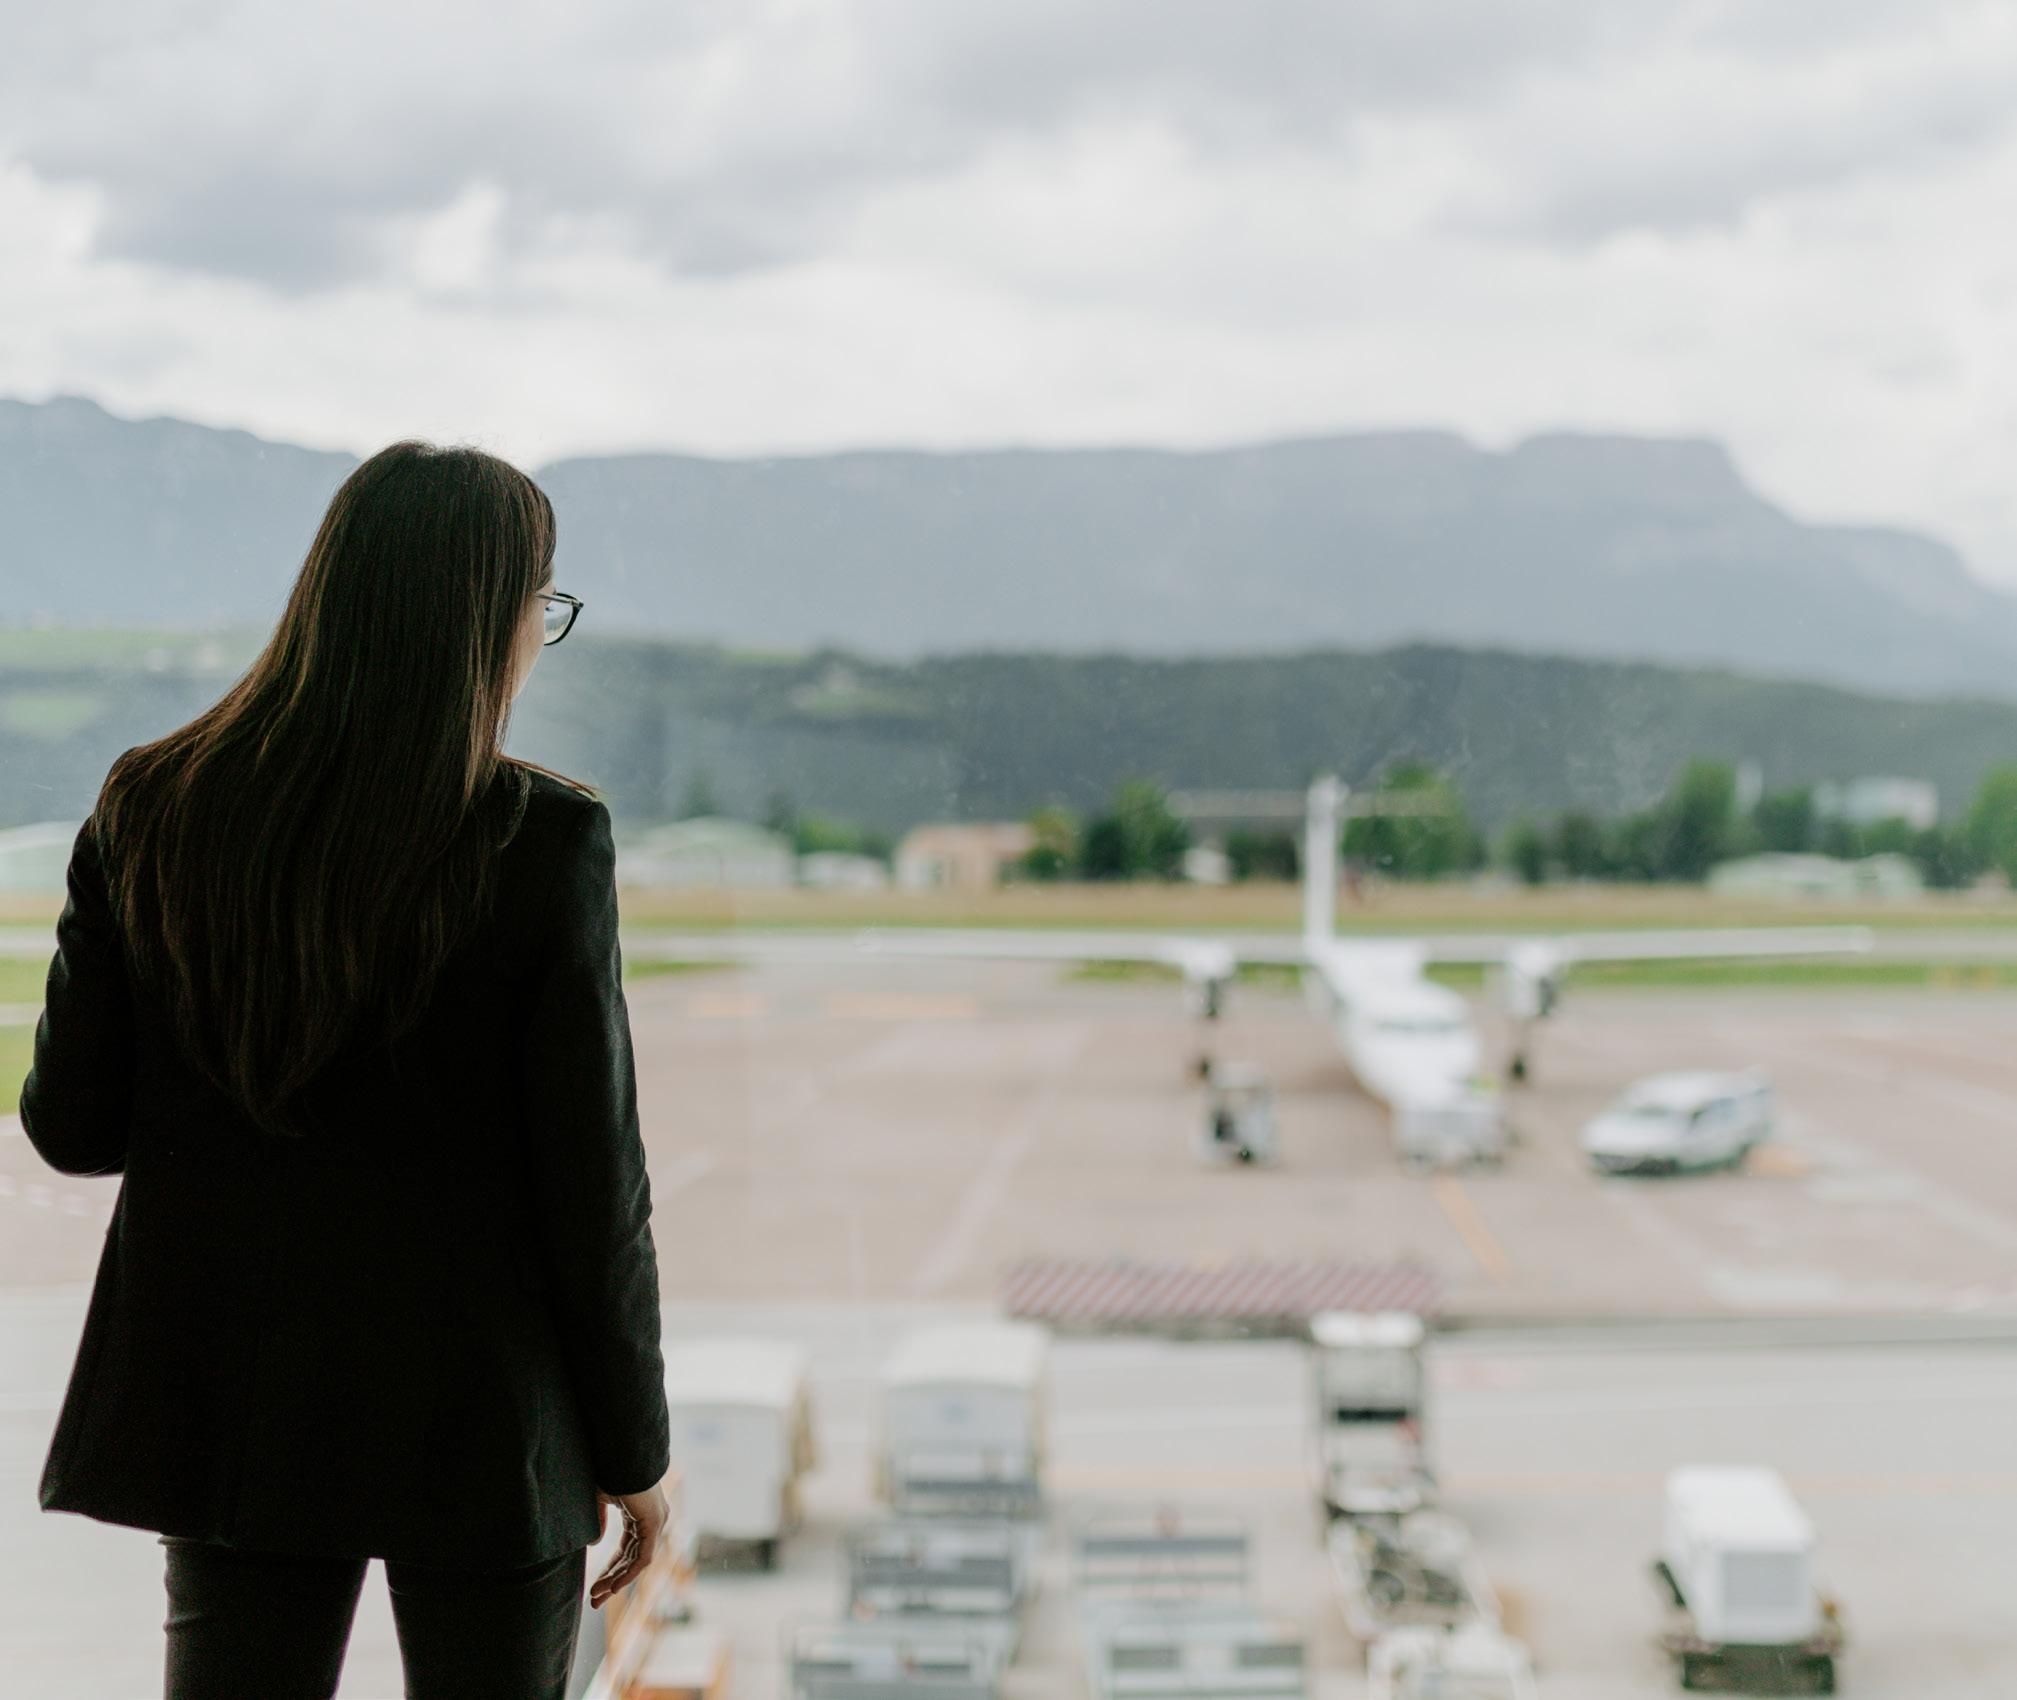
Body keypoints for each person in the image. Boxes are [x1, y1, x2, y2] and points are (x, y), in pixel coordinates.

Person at [19, 441, 674, 1699]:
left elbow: (74, 1127)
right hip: (485, 1419)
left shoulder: (150, 802)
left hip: (237, 1406)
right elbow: (592, 1191)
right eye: (539, 606)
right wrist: (635, 1450)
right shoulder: (543, 840)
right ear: (490, 620)